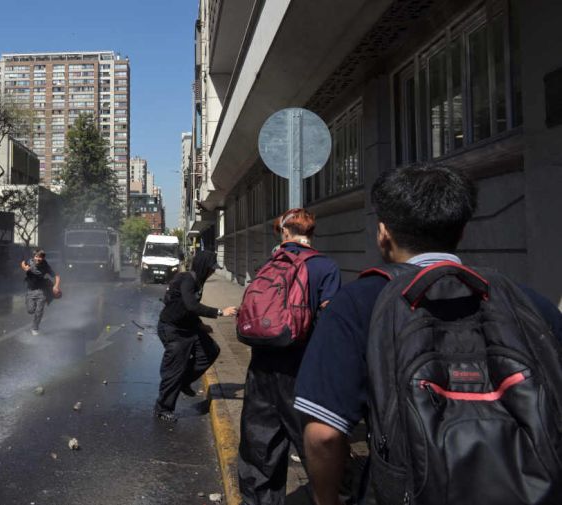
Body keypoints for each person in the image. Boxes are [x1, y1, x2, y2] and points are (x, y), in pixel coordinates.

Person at [294, 165, 562, 505]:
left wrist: (325, 500)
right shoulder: (525, 301)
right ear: (462, 231)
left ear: (383, 232)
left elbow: (324, 435)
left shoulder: (360, 301)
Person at [238, 209, 341, 505]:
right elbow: (329, 323)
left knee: (260, 447)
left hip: (261, 366)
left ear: (284, 232)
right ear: (312, 232)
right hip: (302, 369)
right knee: (315, 444)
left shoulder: (269, 264)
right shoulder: (325, 266)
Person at [154, 250, 238, 423]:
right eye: (211, 268)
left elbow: (188, 309)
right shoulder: (187, 280)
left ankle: (184, 381)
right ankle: (163, 408)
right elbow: (191, 305)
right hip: (173, 329)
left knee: (210, 350)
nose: (213, 271)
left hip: (188, 326)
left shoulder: (198, 281)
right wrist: (220, 312)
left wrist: (200, 325)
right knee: (174, 369)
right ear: (203, 267)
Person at [20, 249, 60, 335]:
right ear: (34, 256)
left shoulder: (46, 266)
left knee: (39, 311)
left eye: (40, 257)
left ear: (43, 258)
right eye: (36, 256)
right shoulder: (30, 261)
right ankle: (30, 303)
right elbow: (23, 263)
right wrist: (24, 267)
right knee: (30, 310)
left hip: (42, 291)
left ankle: (35, 328)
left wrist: (56, 286)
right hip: (31, 290)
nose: (38, 259)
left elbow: (56, 276)